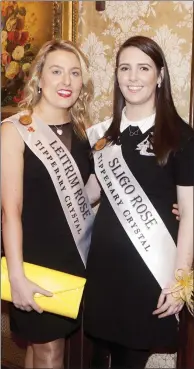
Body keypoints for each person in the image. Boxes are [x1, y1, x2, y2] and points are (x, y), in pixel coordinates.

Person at [84, 35, 194, 368]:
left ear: (159, 75)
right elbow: (87, 195)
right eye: (125, 68)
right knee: (96, 359)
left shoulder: (181, 136)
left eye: (143, 68)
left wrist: (179, 282)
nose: (132, 77)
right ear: (116, 75)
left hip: (148, 270)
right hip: (103, 269)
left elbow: (189, 214)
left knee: (130, 360)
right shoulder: (102, 136)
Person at [1, 39, 98, 369]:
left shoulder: (85, 134)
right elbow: (10, 211)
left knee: (40, 349)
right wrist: (16, 275)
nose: (66, 81)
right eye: (56, 71)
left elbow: (83, 198)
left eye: (74, 73)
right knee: (50, 352)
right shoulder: (15, 131)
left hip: (73, 259)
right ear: (39, 77)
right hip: (33, 260)